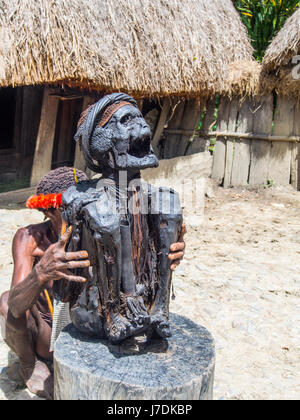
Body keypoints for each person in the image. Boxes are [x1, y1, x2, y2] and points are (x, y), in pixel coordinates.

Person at [0, 166, 186, 399]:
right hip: (46, 338)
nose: (84, 215)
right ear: (50, 212)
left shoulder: (101, 229)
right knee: (7, 300)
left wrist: (168, 249)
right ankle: (28, 364)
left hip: (94, 328)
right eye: (70, 210)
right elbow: (15, 307)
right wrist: (41, 272)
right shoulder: (29, 238)